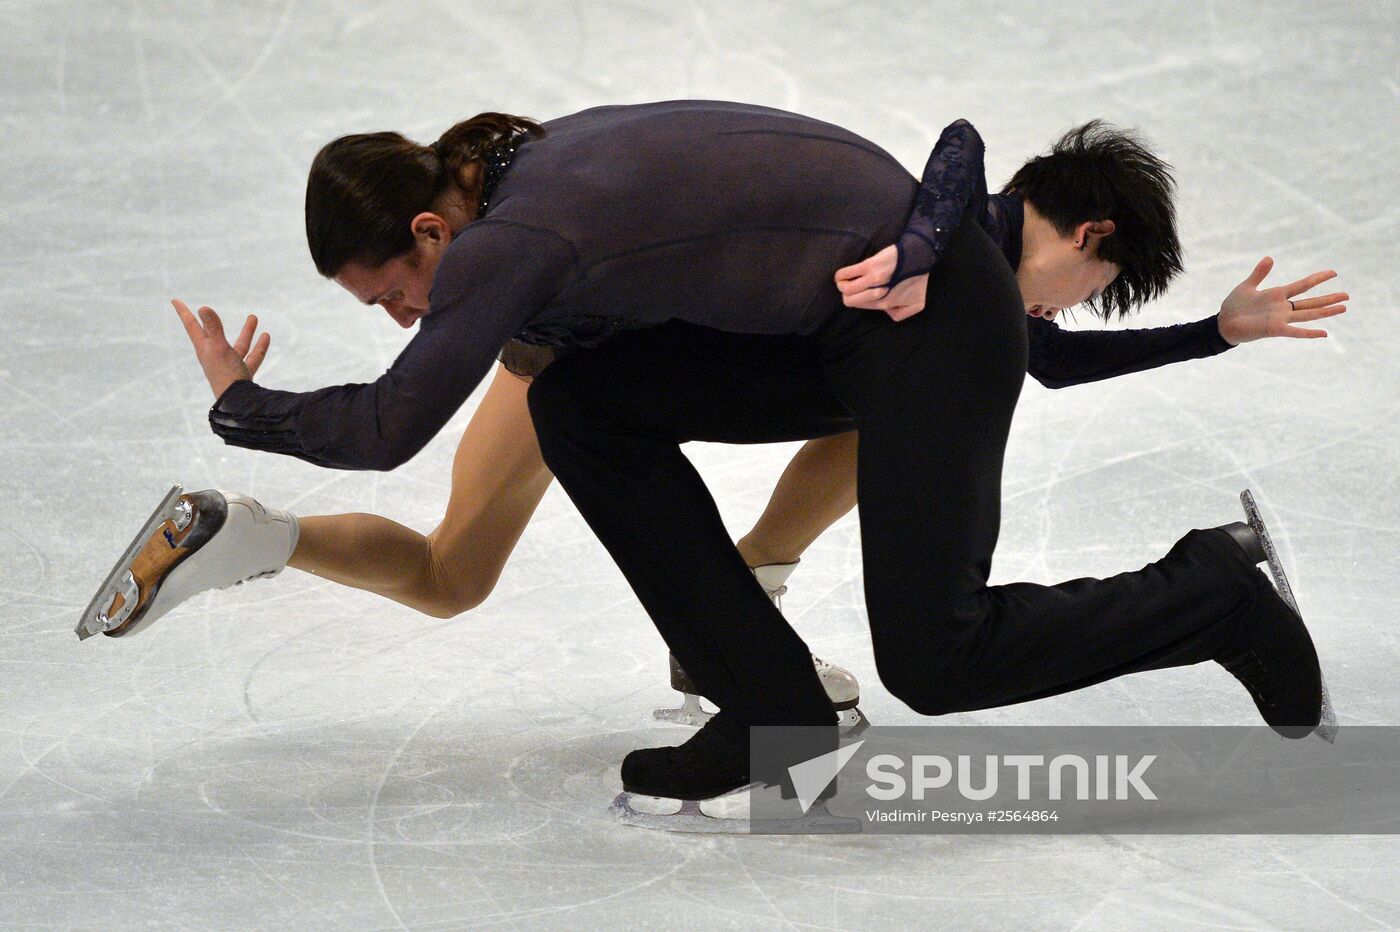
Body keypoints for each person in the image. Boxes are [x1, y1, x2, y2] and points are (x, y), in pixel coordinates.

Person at [78, 102, 1345, 813]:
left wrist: (245, 408)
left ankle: (1216, 593)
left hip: (918, 327)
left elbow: (386, 425)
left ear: (429, 226)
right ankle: (773, 707)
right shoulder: (531, 174)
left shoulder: (512, 231)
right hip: (838, 331)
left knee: (935, 659)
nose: (405, 313)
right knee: (580, 400)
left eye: (391, 291)